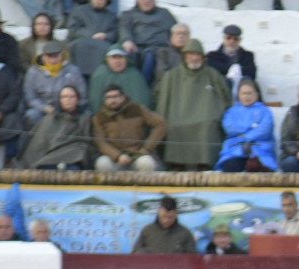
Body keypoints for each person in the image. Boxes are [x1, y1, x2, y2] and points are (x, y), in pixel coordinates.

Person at [154, 39, 228, 170]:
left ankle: (205, 165)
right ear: (184, 56)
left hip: (206, 116)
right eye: (190, 54)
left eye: (197, 54)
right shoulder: (172, 75)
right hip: (177, 117)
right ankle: (176, 165)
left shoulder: (212, 74)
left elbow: (225, 97)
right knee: (174, 126)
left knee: (208, 126)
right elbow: (163, 101)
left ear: (203, 57)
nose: (194, 58)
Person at [92, 84, 165, 171]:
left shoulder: (137, 109)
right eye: (108, 97)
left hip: (137, 155)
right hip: (114, 158)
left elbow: (161, 124)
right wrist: (117, 156)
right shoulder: (99, 117)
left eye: (115, 96)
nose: (112, 100)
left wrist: (146, 149)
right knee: (102, 163)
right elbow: (100, 142)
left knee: (147, 163)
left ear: (123, 97)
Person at [19, 83, 90, 169]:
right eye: (64, 97)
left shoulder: (85, 118)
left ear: (77, 99)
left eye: (72, 96)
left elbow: (85, 142)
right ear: (60, 100)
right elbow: (39, 142)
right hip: (48, 159)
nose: (68, 99)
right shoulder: (50, 118)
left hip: (72, 157)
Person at [118, 0, 178, 83]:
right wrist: (127, 40)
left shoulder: (165, 14)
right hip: (139, 49)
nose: (147, 0)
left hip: (162, 49)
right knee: (148, 56)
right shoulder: (129, 14)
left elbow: (176, 30)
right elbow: (124, 28)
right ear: (137, 0)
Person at [217, 79, 276, 172]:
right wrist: (252, 127)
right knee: (230, 167)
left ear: (256, 94)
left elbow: (265, 130)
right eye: (244, 93)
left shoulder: (265, 111)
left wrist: (244, 136)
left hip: (260, 151)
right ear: (239, 95)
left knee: (260, 169)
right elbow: (229, 127)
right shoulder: (232, 112)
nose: (247, 96)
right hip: (234, 150)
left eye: (250, 93)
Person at [22, 40, 85, 127]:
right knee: (31, 115)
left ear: (62, 55)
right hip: (44, 109)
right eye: (49, 56)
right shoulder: (33, 72)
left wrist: (71, 106)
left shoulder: (73, 70)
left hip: (68, 108)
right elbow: (31, 97)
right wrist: (44, 107)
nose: (53, 59)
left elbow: (82, 93)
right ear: (43, 57)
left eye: (56, 56)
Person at [133, 196, 198, 253]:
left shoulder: (185, 233)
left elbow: (192, 259)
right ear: (159, 212)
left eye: (170, 217)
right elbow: (135, 253)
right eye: (163, 216)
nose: (166, 221)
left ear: (175, 214)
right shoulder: (147, 231)